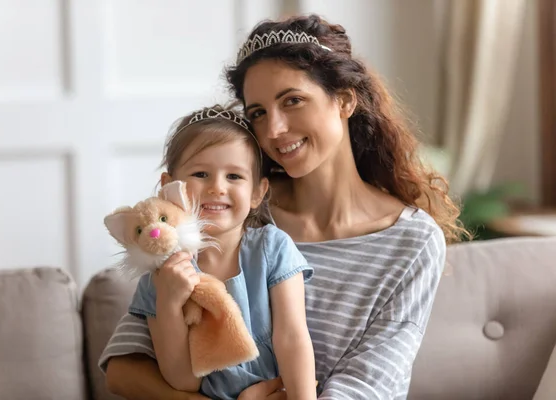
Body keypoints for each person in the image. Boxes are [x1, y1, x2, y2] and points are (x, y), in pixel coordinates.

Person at [99, 14, 469, 400]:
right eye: (257, 112)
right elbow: (126, 369)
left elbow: (369, 385)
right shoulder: (229, 212)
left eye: (292, 101)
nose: (273, 129)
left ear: (344, 100)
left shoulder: (411, 241)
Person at [111, 104, 317, 400]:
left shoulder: (272, 248)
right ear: (169, 188)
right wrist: (169, 303)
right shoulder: (159, 278)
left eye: (234, 176)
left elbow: (292, 338)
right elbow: (183, 381)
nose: (217, 187)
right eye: (201, 173)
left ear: (258, 192)